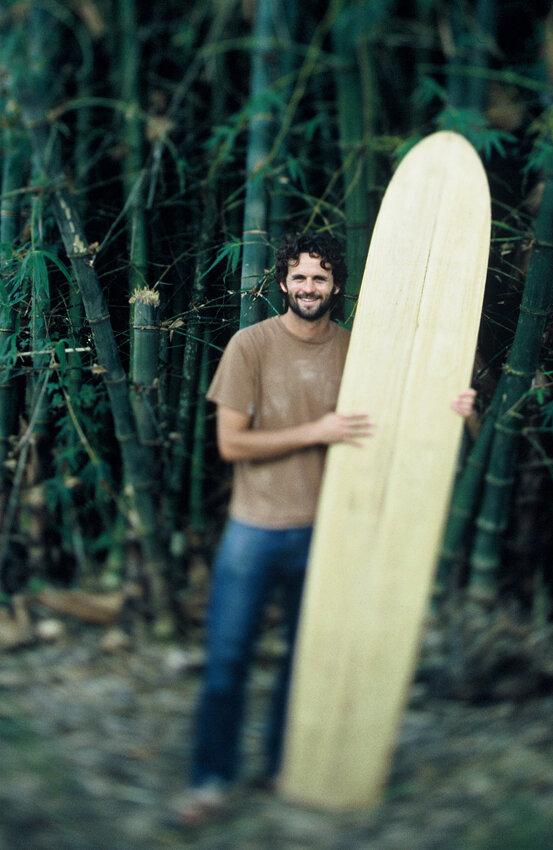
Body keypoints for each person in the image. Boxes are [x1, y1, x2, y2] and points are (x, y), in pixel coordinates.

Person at [173, 231, 475, 824]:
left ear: (336, 285)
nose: (309, 288)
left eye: (320, 278)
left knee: (305, 660)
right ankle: (211, 779)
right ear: (283, 282)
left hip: (330, 532)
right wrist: (316, 432)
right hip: (254, 531)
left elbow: (405, 427)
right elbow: (230, 444)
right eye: (299, 277)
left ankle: (289, 765)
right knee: (228, 657)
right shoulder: (250, 346)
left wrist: (458, 412)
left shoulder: (360, 352)